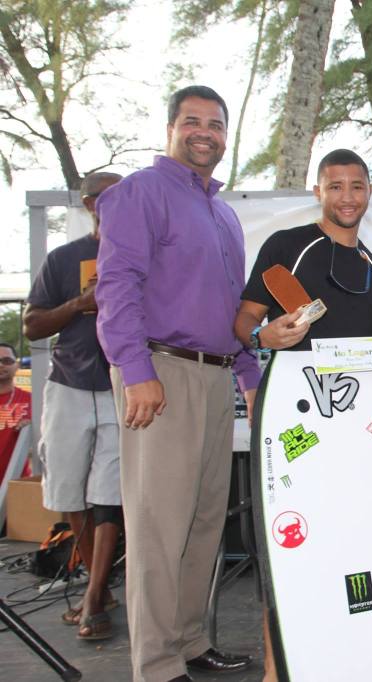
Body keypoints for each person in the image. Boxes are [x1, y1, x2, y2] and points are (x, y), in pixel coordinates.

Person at [96, 85, 259, 682]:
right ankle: (158, 666)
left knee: (203, 522)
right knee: (159, 528)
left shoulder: (223, 213)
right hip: (159, 375)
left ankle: (189, 642)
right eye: (192, 121)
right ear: (170, 128)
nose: (205, 132)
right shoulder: (137, 194)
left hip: (216, 379)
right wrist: (135, 372)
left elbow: (230, 310)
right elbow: (116, 287)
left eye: (215, 124)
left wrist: (248, 376)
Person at [233, 148, 372, 682]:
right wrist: (266, 336)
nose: (348, 197)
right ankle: (274, 668)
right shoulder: (288, 247)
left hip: (358, 427)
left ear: (369, 193)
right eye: (336, 186)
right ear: (319, 191)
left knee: (352, 537)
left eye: (357, 186)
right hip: (296, 419)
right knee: (289, 539)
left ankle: (347, 654)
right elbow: (243, 322)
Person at [23, 171, 123, 640]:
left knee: (110, 495)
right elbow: (32, 325)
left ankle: (93, 597)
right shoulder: (64, 258)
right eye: (108, 197)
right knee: (69, 494)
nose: (119, 203)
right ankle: (96, 587)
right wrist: (79, 305)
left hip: (123, 387)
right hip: (68, 384)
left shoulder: (146, 255)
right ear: (88, 204)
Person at [0, 342, 31, 481]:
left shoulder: (32, 400)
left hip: (17, 481)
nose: (1, 365)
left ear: (17, 365)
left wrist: (31, 428)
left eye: (7, 361)